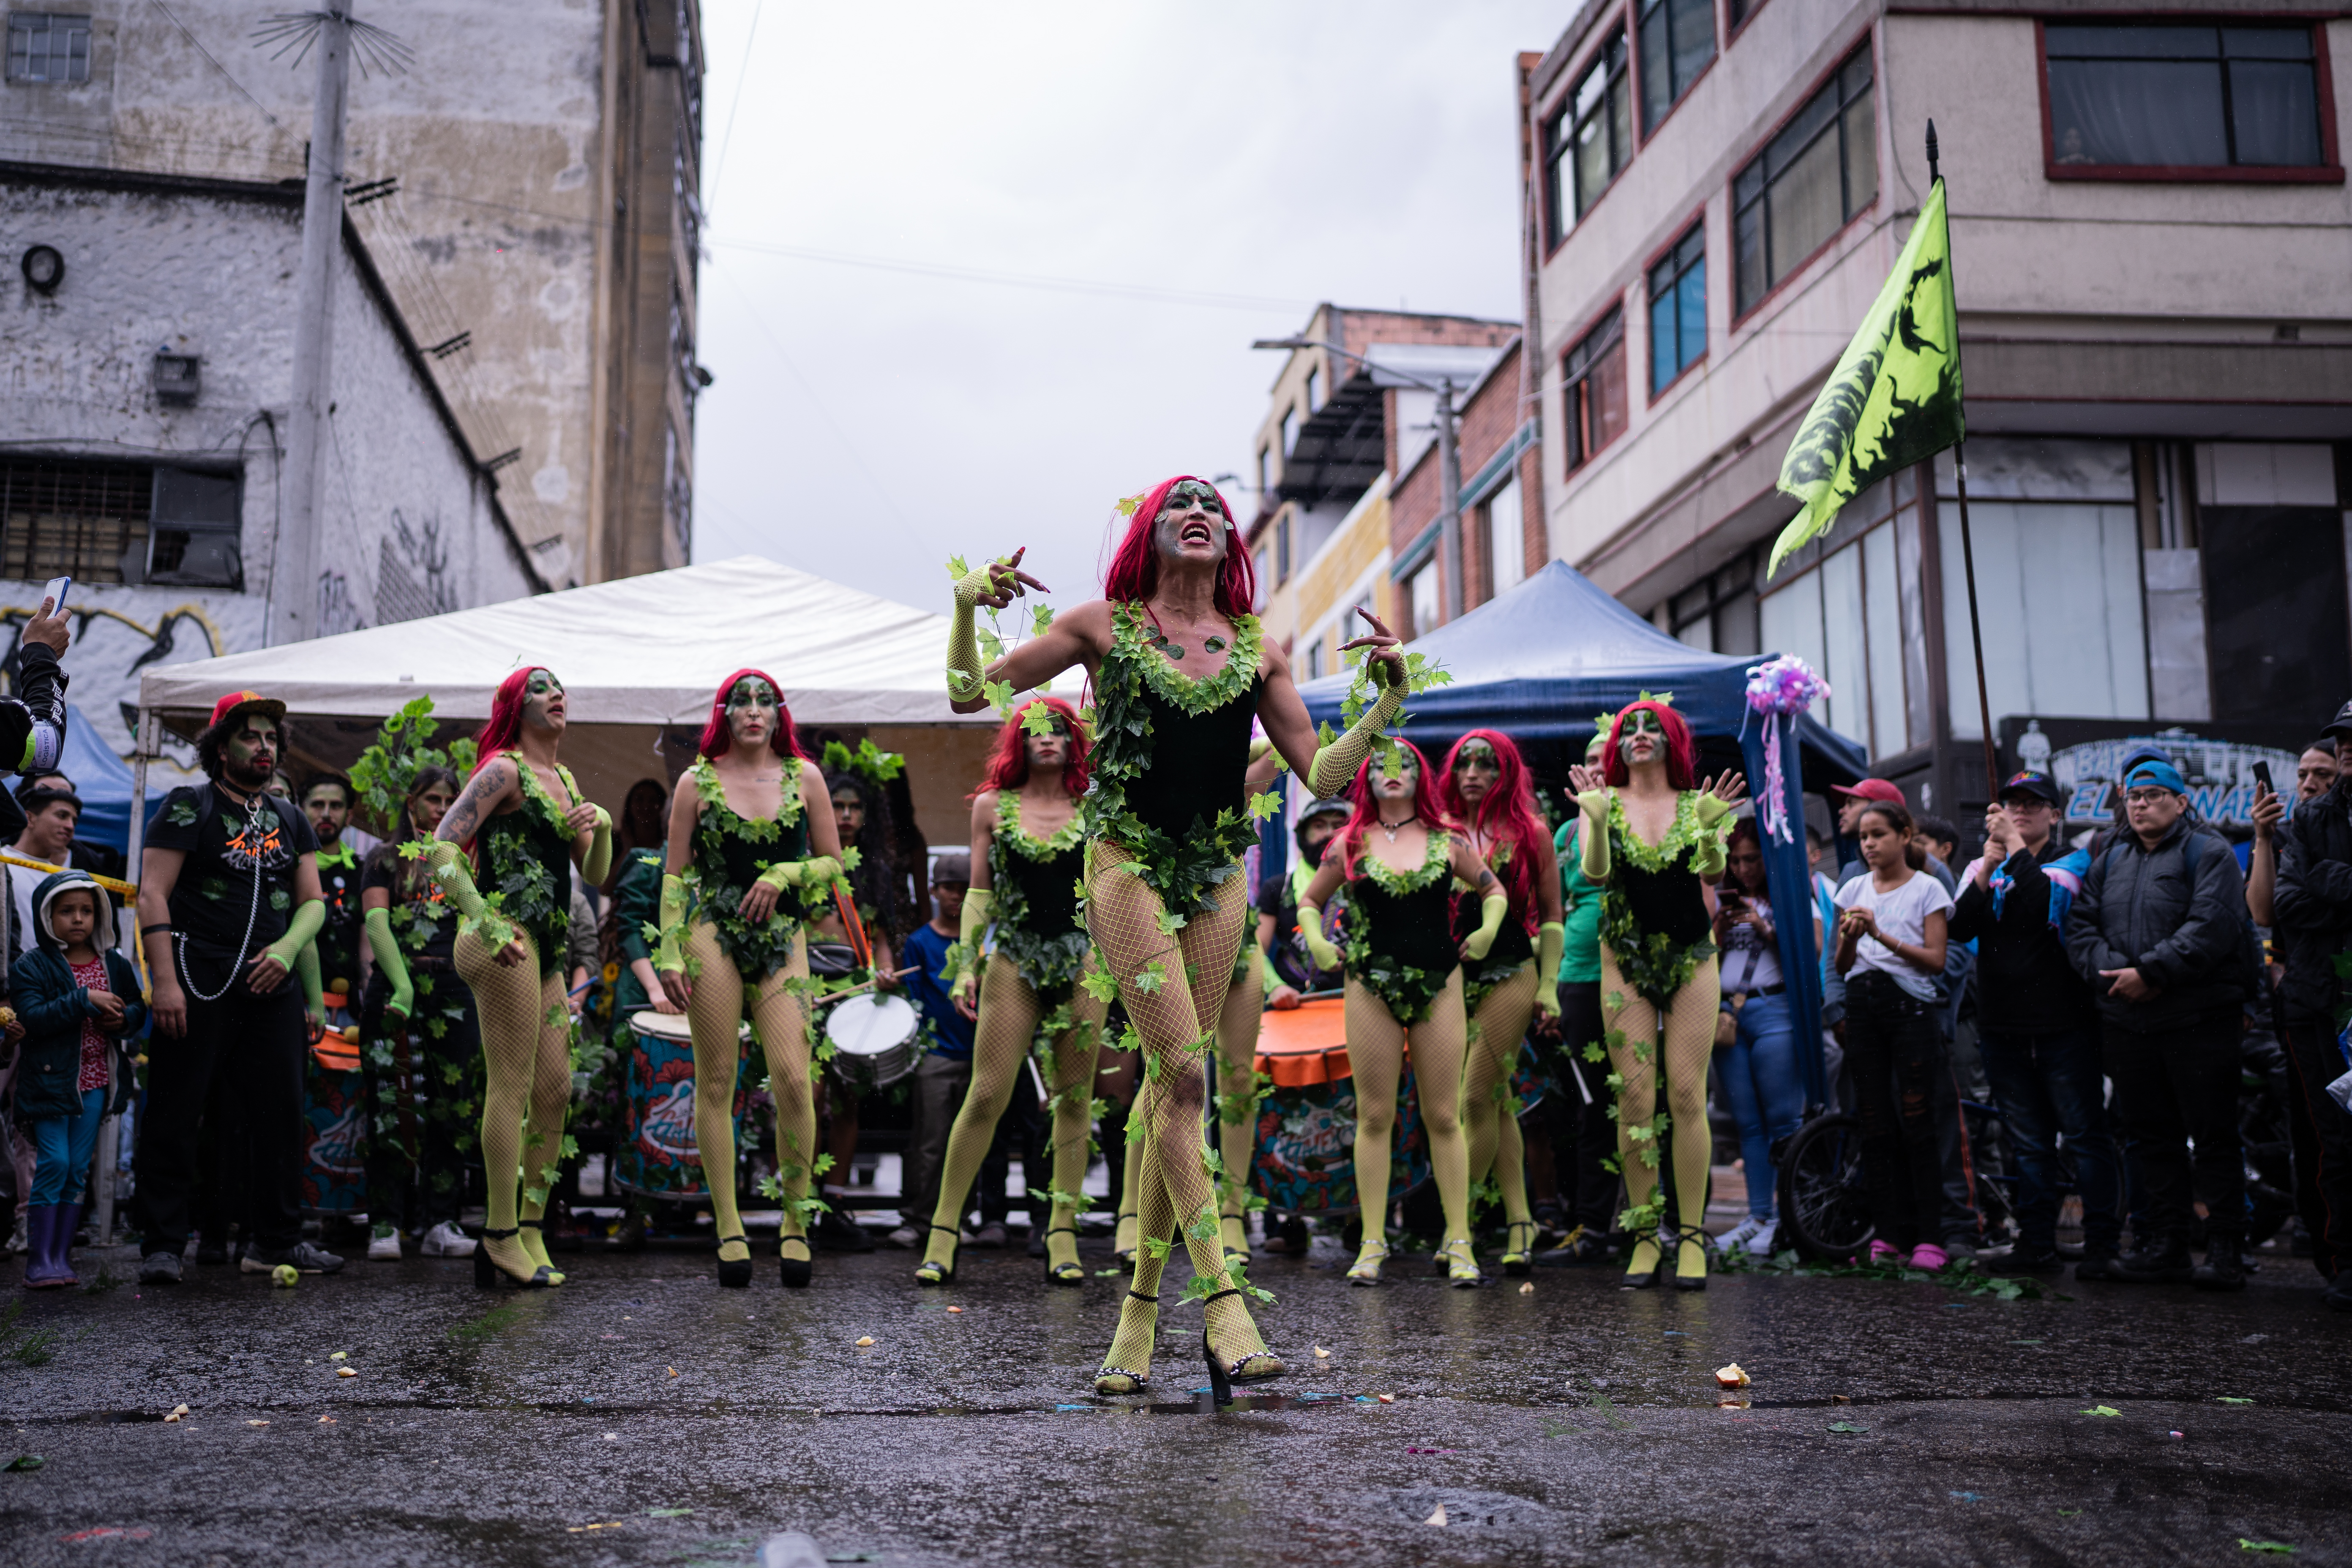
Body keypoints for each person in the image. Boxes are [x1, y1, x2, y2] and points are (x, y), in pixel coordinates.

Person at [946, 474, 1416, 1398]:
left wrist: (1383, 704)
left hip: (1214, 876)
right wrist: (965, 607)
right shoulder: (1102, 625)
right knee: (1186, 1073)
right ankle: (1222, 1296)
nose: (1197, 511)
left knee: (1174, 1083)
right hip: (1121, 864)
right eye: (1177, 504)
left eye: (1212, 505)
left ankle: (1136, 1314)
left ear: (1228, 541)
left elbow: (1318, 774)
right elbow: (969, 693)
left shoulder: (1259, 650)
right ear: (1152, 536)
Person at [135, 691, 336, 1285]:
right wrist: (164, 982)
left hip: (270, 978)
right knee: (177, 1107)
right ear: (222, 748)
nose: (265, 746)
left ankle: (274, 1239)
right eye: (251, 735)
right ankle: (163, 1243)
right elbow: (152, 893)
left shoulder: (288, 816)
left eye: (272, 737)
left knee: (279, 1111)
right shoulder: (187, 804)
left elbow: (313, 905)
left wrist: (286, 949)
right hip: (197, 972)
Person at [423, 668, 613, 1289]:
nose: (557, 693)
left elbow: (596, 872)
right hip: (502, 936)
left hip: (548, 947)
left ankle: (530, 1226)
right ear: (515, 705)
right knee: (511, 1086)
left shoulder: (564, 779)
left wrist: (603, 827)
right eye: (539, 687)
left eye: (561, 685)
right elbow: (442, 849)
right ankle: (499, 1232)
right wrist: (485, 918)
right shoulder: (504, 770)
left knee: (555, 1089)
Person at [654, 671, 844, 1289]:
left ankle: (794, 1220)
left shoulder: (804, 775)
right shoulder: (696, 781)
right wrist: (671, 953)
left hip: (784, 935)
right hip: (713, 928)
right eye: (743, 701)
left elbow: (834, 866)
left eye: (765, 700)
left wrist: (787, 872)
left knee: (793, 1075)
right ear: (725, 713)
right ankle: (729, 1226)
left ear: (778, 711)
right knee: (716, 1079)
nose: (754, 710)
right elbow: (675, 876)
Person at [1297, 740, 1505, 1286]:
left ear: (1421, 776)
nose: (1394, 772)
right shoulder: (1348, 843)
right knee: (1373, 1115)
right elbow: (1308, 902)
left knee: (1443, 1114)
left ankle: (1458, 1238)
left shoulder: (1449, 840)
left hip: (1440, 982)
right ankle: (1371, 1241)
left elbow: (1494, 891)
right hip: (1368, 984)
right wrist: (1317, 943)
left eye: (1406, 763)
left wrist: (1485, 931)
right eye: (1383, 765)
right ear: (1364, 778)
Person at [916, 697, 1107, 1287]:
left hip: (1082, 958)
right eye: (1033, 730)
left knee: (1073, 1099)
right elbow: (979, 893)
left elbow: (1111, 890)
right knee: (986, 1094)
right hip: (1013, 957)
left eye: (1057, 729)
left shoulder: (1094, 803)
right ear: (1017, 742)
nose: (1045, 738)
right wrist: (966, 965)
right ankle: (942, 1231)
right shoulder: (991, 807)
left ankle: (1061, 1232)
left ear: (1073, 739)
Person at [1570, 700, 1745, 1290]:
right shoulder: (1606, 802)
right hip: (1623, 961)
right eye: (1629, 728)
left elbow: (1713, 873)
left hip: (1691, 957)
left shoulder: (1697, 801)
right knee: (1637, 1100)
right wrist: (1594, 816)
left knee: (1688, 1094)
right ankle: (1646, 1233)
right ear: (1616, 743)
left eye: (1652, 727)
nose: (1640, 735)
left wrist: (1713, 828)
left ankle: (1690, 1234)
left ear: (1671, 739)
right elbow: (1595, 875)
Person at [2066, 758, 2251, 1291]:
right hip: (2127, 1020)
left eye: (2152, 794)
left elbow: (2212, 926)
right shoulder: (2110, 855)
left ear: (2181, 801)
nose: (2140, 803)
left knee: (2213, 1137)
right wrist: (2111, 976)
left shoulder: (2209, 851)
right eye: (2132, 796)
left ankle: (2224, 1250)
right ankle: (2167, 1245)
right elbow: (2080, 926)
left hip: (2197, 1019)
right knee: (2153, 1139)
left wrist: (2150, 973)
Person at [1950, 771, 2122, 1279]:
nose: (2020, 810)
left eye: (2032, 804)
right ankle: (2037, 1243)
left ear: (2055, 814)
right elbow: (1959, 927)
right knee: (2027, 1142)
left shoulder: (2073, 863)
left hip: (2064, 1027)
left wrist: (2016, 849)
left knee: (2085, 1137)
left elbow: (2041, 904)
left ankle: (2101, 1244)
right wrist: (1987, 863)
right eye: (2011, 803)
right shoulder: (1988, 864)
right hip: (2002, 1029)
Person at [1439, 729, 1563, 1277]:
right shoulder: (1434, 831)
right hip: (1449, 977)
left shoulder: (1530, 831)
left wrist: (1550, 985)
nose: (1472, 772)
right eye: (1464, 762)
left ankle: (1457, 1224)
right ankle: (1520, 1220)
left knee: (1475, 1096)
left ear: (1504, 771)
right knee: (1500, 1099)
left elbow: (1554, 912)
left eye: (1486, 763)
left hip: (1512, 970)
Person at [1833, 799, 1965, 1271]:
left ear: (1904, 835)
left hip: (1910, 1009)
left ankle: (1929, 1237)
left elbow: (1935, 959)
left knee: (1917, 1117)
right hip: (1863, 1006)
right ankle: (1887, 1235)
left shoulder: (1928, 889)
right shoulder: (1851, 888)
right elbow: (1840, 964)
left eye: (1878, 835)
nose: (1868, 844)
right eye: (1863, 837)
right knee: (1875, 1122)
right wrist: (1850, 935)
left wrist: (1879, 934)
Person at [358, 765, 482, 1262]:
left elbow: (479, 918)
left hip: (453, 990)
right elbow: (375, 921)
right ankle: (386, 1223)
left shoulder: (457, 864)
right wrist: (404, 984)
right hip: (395, 986)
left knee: (453, 1106)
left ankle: (440, 1221)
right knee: (389, 1103)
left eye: (450, 800)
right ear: (411, 804)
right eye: (433, 799)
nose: (441, 808)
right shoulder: (384, 858)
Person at [11, 870, 142, 1287]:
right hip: (50, 1082)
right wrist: (84, 999)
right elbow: (33, 1019)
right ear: (46, 915)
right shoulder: (31, 966)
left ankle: (59, 1259)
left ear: (101, 914)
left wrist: (121, 1019)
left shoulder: (115, 964)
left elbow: (138, 1009)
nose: (79, 919)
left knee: (77, 1170)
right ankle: (38, 1261)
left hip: (97, 1079)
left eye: (87, 910)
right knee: (56, 1162)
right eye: (67, 911)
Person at [2271, 708, 2352, 1312]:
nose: (2346, 748)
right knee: (2334, 1138)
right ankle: (2344, 1262)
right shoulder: (2310, 818)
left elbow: (2313, 888)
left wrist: (2327, 879)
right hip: (2317, 1002)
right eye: (2341, 739)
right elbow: (2287, 903)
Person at [1712, 819, 1818, 1259]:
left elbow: (1811, 949)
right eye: (1735, 861)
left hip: (1776, 1011)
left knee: (1783, 1121)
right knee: (1747, 1125)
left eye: (1751, 859)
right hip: (1726, 1017)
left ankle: (1789, 1217)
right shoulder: (1721, 897)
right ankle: (1757, 1216)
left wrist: (1765, 927)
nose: (1743, 869)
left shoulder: (1795, 893)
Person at [1534, 732, 1618, 1268]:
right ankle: (1592, 1228)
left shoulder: (1639, 818)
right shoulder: (1565, 833)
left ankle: (1654, 1228)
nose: (1596, 767)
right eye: (1589, 759)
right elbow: (1556, 913)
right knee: (1589, 1108)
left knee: (1644, 1103)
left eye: (1603, 759)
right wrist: (1551, 987)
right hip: (1577, 979)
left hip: (1633, 977)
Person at [809, 761, 900, 1254]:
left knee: (846, 1100)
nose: (845, 816)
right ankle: (799, 1203)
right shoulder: (804, 864)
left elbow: (881, 939)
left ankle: (835, 1203)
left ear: (865, 816)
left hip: (854, 995)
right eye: (837, 807)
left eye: (853, 808)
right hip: (803, 991)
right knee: (807, 1095)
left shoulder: (875, 870)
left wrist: (883, 973)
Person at [893, 855, 976, 1249]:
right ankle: (917, 1219)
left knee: (974, 1141)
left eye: (963, 888)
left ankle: (961, 1218)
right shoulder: (919, 943)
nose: (956, 896)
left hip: (980, 1055)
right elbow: (913, 1004)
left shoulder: (980, 942)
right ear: (933, 890)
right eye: (948, 887)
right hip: (937, 1055)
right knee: (929, 1141)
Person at [300, 771, 366, 1037]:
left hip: (350, 1013)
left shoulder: (363, 873)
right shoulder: (287, 868)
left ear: (349, 816)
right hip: (296, 1006)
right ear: (301, 810)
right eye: (318, 805)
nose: (326, 813)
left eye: (336, 806)